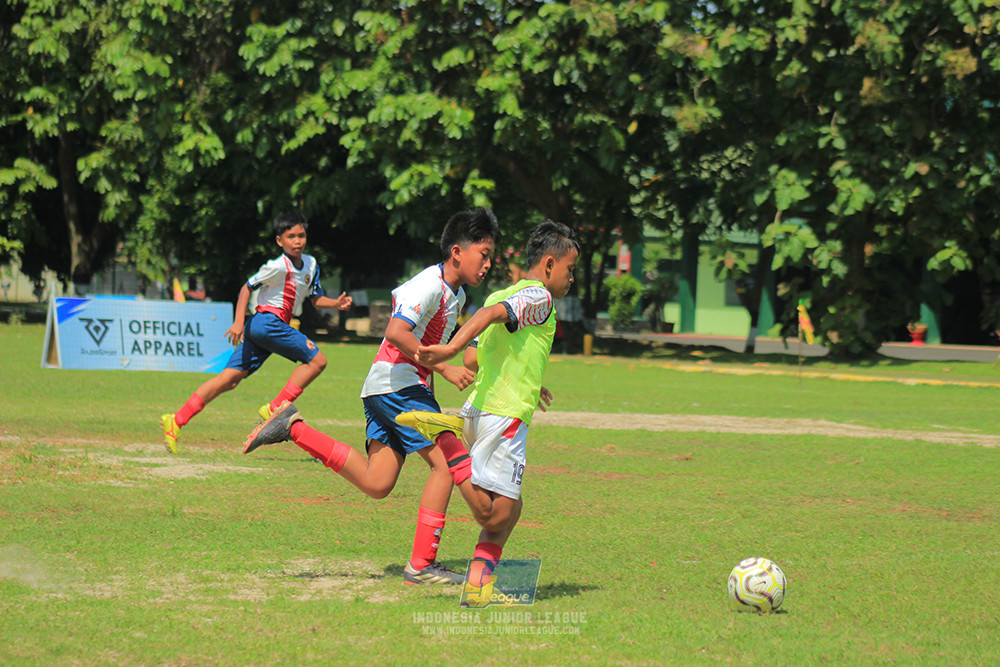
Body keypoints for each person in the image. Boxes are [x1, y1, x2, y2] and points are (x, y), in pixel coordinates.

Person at [241, 207, 503, 585]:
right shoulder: (429, 284)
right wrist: (443, 367)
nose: (488, 264)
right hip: (400, 385)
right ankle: (422, 565)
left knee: (377, 483)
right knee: (446, 465)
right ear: (457, 252)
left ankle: (292, 428)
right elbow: (396, 331)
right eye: (484, 255)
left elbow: (430, 346)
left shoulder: (455, 294)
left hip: (389, 386)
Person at [397, 220, 579, 592]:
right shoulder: (538, 297)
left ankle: (479, 582)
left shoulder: (501, 294)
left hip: (479, 411)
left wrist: (529, 375)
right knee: (493, 514)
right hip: (504, 415)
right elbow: (486, 321)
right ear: (548, 265)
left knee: (513, 508)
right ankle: (450, 447)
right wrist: (447, 348)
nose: (571, 278)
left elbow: (473, 359)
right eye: (569, 269)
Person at [160, 211, 352, 453]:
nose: (297, 241)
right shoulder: (276, 266)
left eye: (301, 235)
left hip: (264, 329)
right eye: (290, 236)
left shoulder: (311, 265)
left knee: (227, 380)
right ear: (279, 241)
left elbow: (315, 299)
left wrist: (335, 303)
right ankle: (276, 407)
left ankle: (176, 420)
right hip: (267, 323)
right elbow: (246, 288)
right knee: (317, 361)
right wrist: (238, 322)